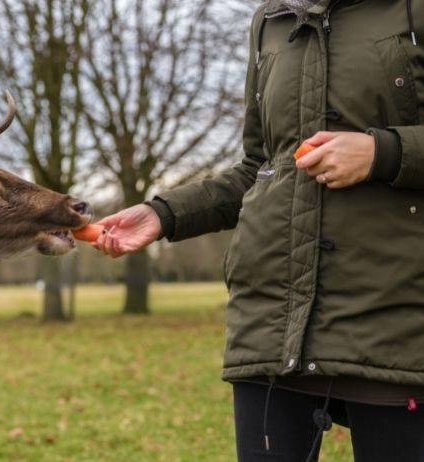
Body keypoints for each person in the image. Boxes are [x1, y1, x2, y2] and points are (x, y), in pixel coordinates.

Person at [92, 1, 424, 461]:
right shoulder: (271, 21)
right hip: (271, 324)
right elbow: (262, 167)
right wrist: (162, 215)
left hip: (396, 323)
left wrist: (381, 152)